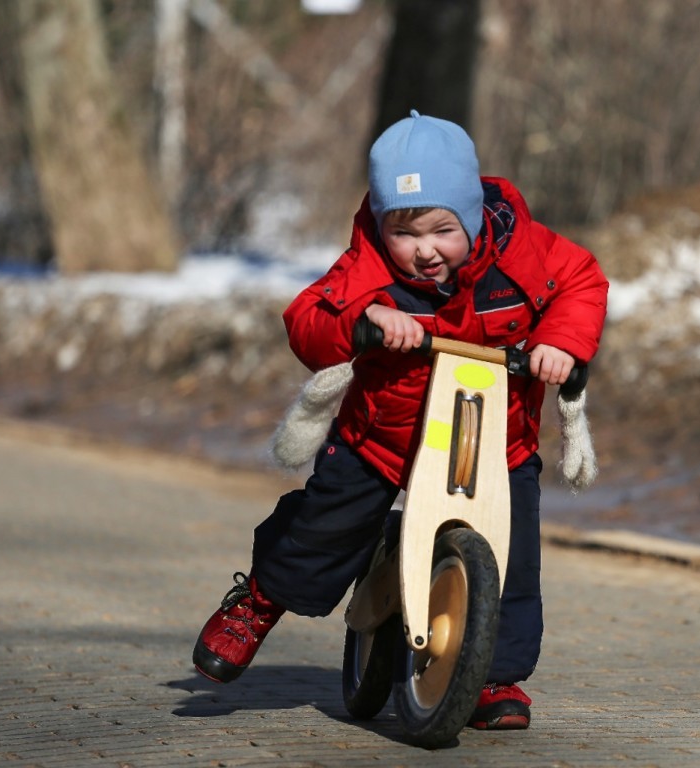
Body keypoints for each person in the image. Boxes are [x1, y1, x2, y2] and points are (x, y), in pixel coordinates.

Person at [192, 110, 609, 730]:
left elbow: (582, 281)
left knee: (511, 553)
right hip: (382, 440)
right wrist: (362, 325)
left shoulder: (525, 252)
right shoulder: (368, 269)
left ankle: (490, 678)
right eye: (403, 233)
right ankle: (261, 598)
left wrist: (561, 343)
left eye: (442, 230)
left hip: (493, 444)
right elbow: (307, 319)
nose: (423, 251)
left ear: (470, 214)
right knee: (325, 528)